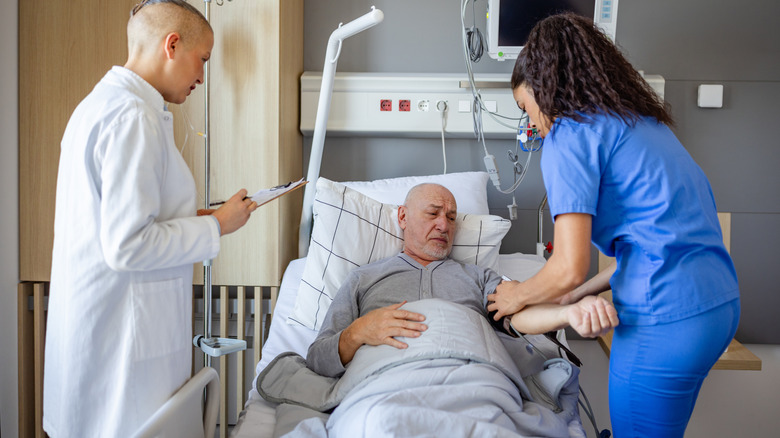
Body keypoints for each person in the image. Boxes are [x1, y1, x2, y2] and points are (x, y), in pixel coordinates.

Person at [486, 13, 741, 437]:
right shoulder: (643, 123)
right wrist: (578, 294)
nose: (530, 123)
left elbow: (569, 264)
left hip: (664, 320)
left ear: (544, 90)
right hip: (717, 308)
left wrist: (517, 295)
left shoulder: (568, 136)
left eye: (525, 108)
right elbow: (659, 241)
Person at [43, 1, 258, 436]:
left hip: (104, 328)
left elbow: (133, 217)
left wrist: (206, 216)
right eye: (202, 61)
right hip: (122, 346)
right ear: (172, 45)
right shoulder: (132, 117)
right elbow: (128, 244)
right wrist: (215, 227)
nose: (201, 77)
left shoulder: (105, 105)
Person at [306, 183, 618, 378]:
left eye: (452, 217)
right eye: (433, 213)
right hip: (384, 382)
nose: (444, 224)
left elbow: (518, 315)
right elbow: (318, 359)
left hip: (474, 382)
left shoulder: (477, 276)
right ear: (403, 218)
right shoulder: (363, 279)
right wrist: (359, 331)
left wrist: (567, 313)